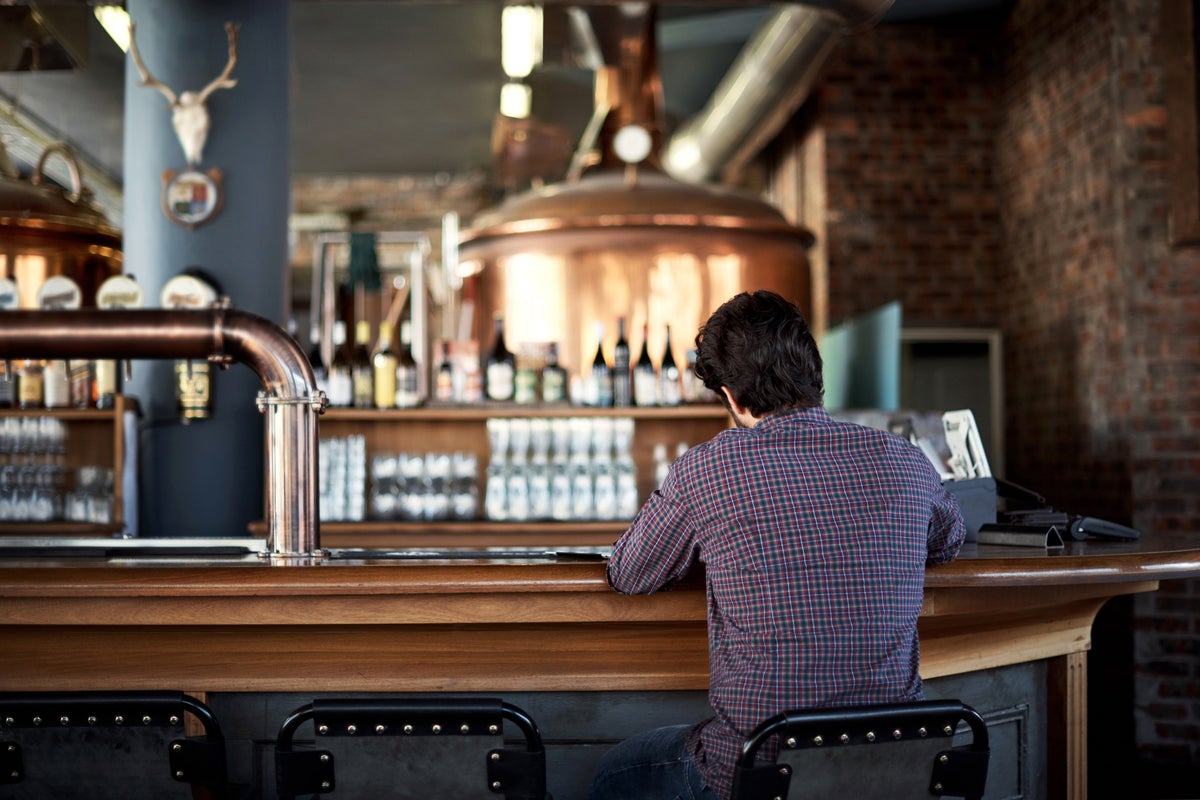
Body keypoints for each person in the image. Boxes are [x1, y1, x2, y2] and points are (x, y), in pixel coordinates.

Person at [589, 290, 965, 800]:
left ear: (732, 398)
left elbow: (629, 575)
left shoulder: (706, 469)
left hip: (758, 770)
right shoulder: (904, 459)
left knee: (612, 773)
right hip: (900, 766)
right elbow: (948, 541)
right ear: (815, 375)